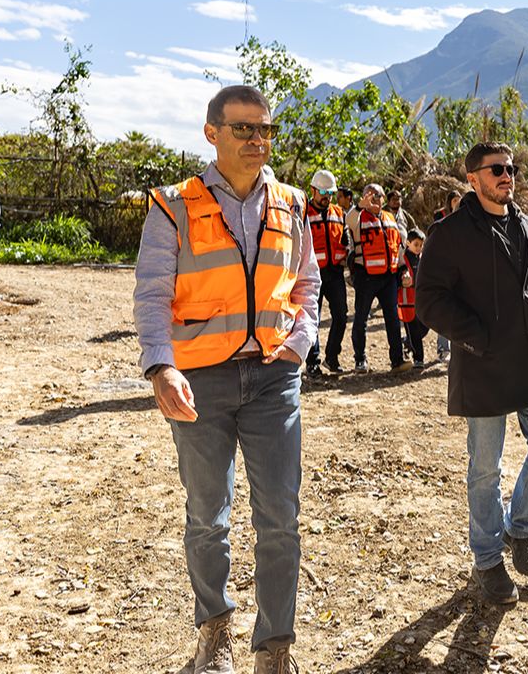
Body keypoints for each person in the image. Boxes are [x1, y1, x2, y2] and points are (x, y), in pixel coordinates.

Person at [133, 84, 320, 673]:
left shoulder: (291, 203)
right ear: (211, 133)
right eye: (243, 128)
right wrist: (161, 365)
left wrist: (300, 343)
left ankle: (274, 647)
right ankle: (214, 631)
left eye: (265, 129)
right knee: (207, 517)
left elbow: (307, 283)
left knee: (280, 518)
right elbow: (152, 294)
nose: (257, 139)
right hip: (200, 381)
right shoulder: (172, 206)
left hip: (272, 380)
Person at [416, 141, 528, 605]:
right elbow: (429, 301)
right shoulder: (449, 233)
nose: (507, 176)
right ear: (473, 178)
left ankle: (518, 529)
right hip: (481, 363)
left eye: (511, 169)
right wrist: (476, 337)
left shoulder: (527, 225)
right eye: (497, 169)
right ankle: (487, 560)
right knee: (485, 468)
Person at [345, 184, 412, 374]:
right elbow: (348, 221)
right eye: (370, 196)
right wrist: (360, 206)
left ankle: (397, 360)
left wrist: (403, 270)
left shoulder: (390, 218)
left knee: (393, 319)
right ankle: (360, 360)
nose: (375, 199)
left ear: (384, 199)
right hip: (365, 277)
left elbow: (397, 248)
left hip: (388, 277)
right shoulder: (358, 217)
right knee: (361, 319)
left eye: (378, 196)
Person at [304, 169, 350, 377]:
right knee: (312, 318)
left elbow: (345, 240)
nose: (326, 197)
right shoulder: (303, 213)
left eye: (330, 193)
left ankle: (332, 357)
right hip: (311, 274)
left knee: (341, 315)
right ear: (313, 190)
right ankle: (312, 362)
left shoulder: (339, 213)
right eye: (323, 192)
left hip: (334, 273)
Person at [431, 191, 461, 363]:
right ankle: (443, 349)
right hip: (444, 267)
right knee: (444, 309)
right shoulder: (440, 217)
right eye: (454, 200)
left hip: (460, 269)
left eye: (459, 200)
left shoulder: (466, 218)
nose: (456, 203)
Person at [397, 228, 431, 368]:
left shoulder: (423, 258)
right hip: (407, 302)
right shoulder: (403, 259)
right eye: (416, 244)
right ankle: (418, 359)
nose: (419, 248)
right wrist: (402, 280)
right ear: (408, 243)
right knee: (414, 331)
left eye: (421, 245)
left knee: (425, 326)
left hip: (422, 301)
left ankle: (406, 342)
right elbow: (397, 276)